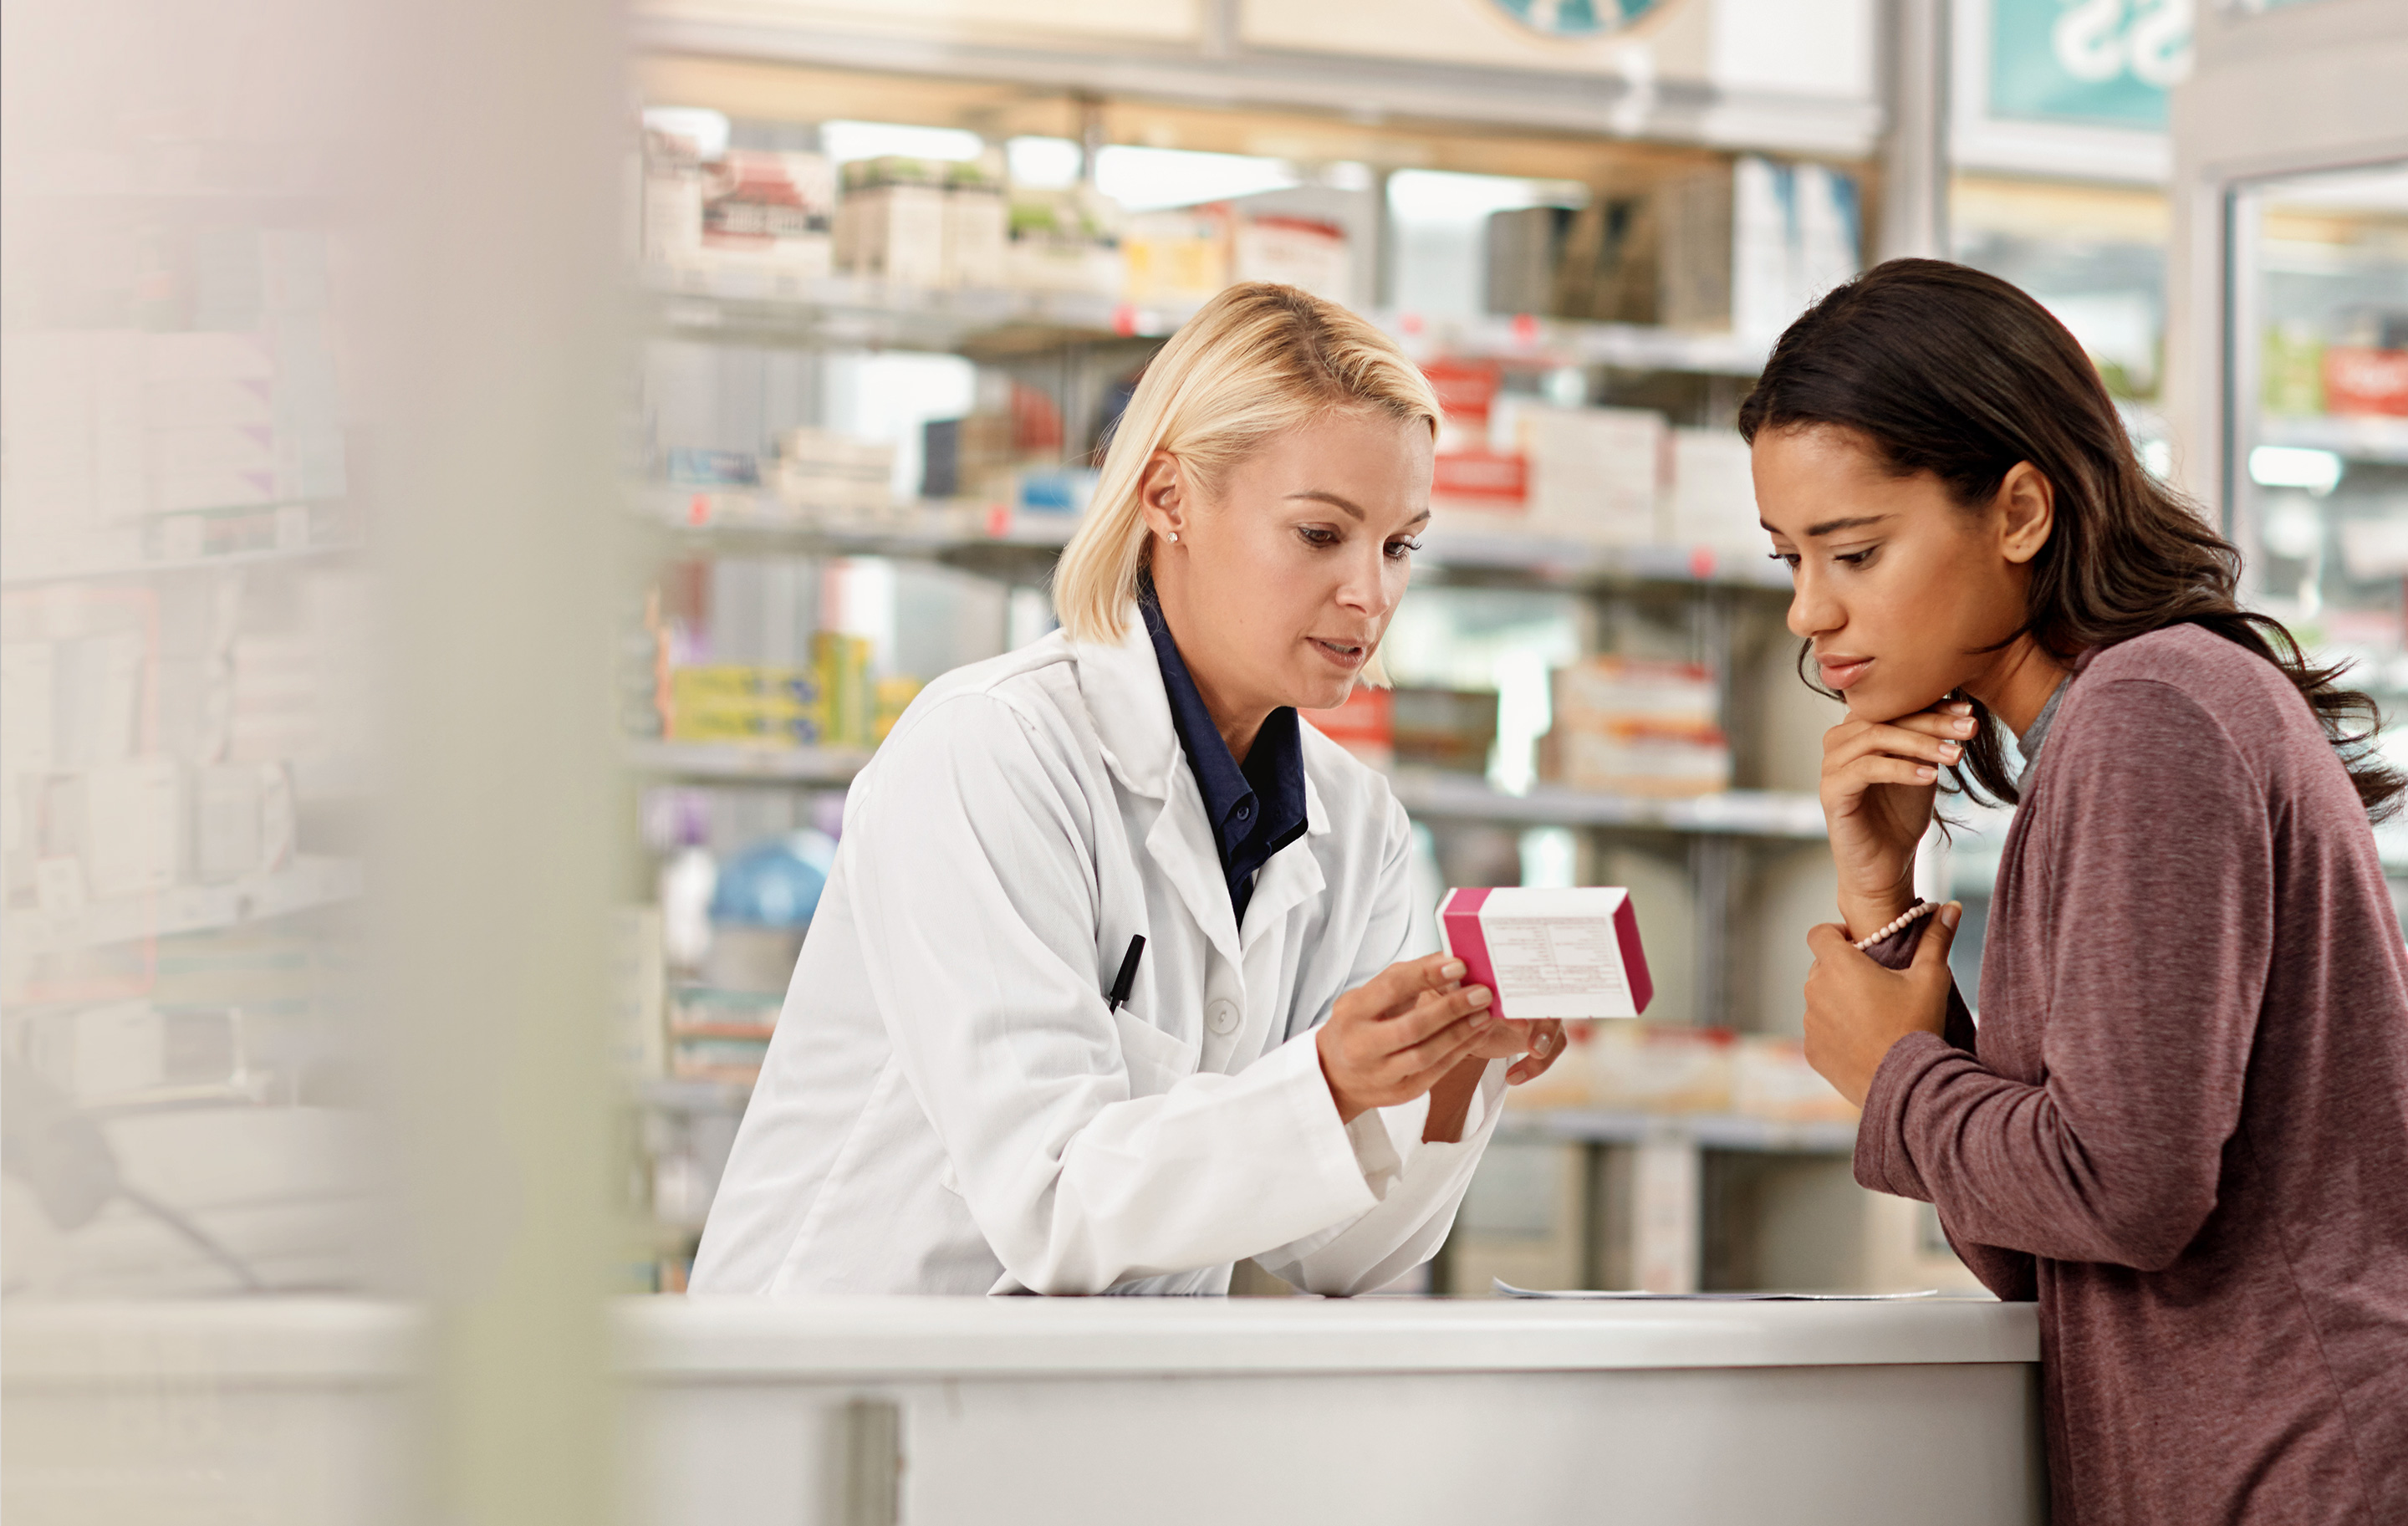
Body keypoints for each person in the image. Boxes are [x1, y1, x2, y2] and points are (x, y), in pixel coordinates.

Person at [691, 283, 1563, 1297]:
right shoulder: (993, 751)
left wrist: (1448, 1068)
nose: (1370, 593)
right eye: (1321, 535)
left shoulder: (1358, 827)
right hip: (836, 1381)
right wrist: (1327, 1079)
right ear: (1168, 499)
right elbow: (1052, 1198)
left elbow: (1338, 1253)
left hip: (1095, 1405)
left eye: (1400, 545)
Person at [1748, 258, 2408, 1525]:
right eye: (1791, 558)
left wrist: (1892, 1074)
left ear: (2020, 511)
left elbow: (2129, 1193)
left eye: (1856, 550)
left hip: (2305, 1470)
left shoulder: (2149, 711)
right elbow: (2041, 1249)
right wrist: (1885, 906)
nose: (1808, 612)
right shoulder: (2115, 725)